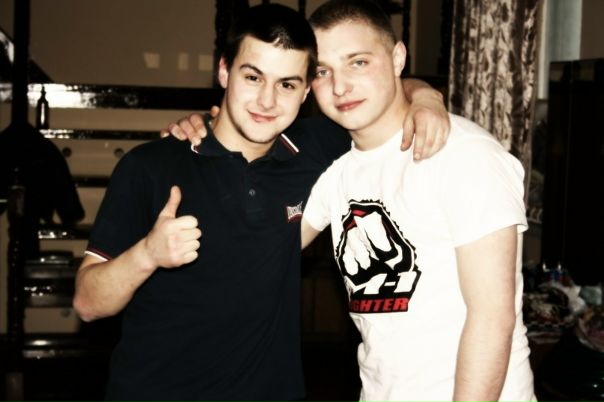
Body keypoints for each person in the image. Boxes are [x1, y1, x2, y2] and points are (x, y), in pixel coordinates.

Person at [73, 3, 449, 402]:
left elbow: (386, 91)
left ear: (306, 91)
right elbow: (87, 303)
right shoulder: (149, 166)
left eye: (286, 84)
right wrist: (147, 254)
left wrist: (427, 98)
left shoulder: (318, 148)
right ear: (224, 71)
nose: (266, 101)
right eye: (253, 77)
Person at [298, 1, 536, 401]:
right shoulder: (336, 173)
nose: (340, 87)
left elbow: (492, 319)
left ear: (397, 58)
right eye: (323, 71)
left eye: (358, 63)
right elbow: (265, 254)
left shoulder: (465, 154)